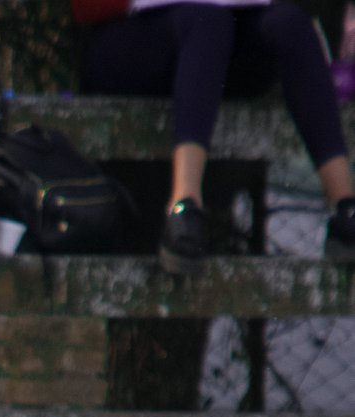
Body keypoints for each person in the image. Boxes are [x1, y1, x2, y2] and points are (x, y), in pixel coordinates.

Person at [77, 0, 355, 270]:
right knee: (206, 21)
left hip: (219, 44)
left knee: (291, 24)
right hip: (131, 43)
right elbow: (85, 7)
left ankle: (345, 208)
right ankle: (184, 208)